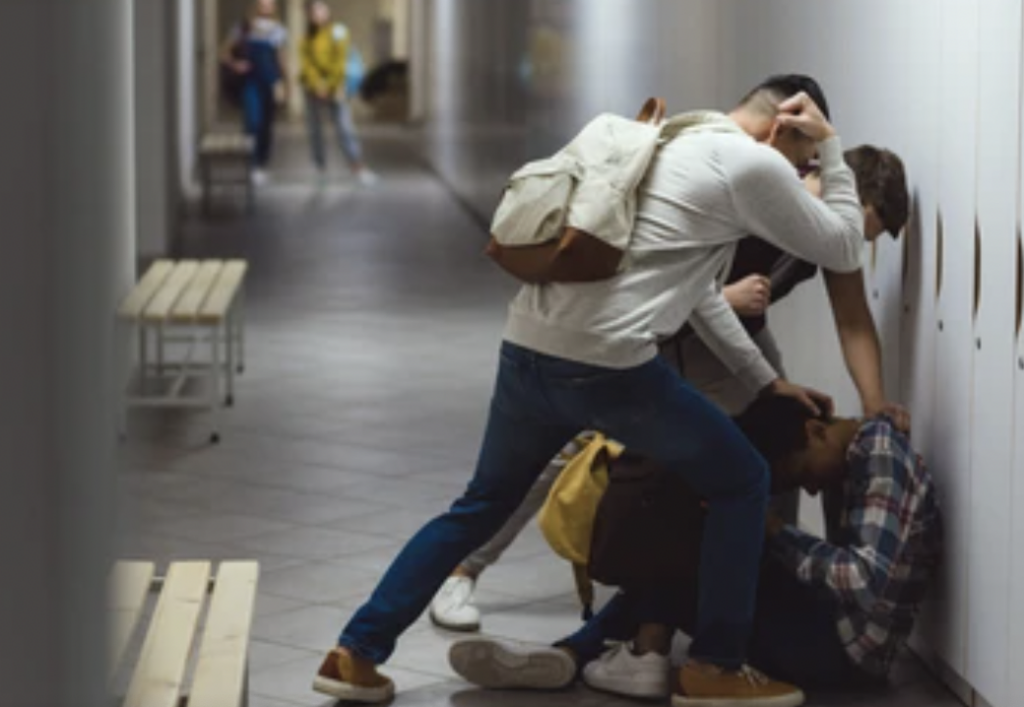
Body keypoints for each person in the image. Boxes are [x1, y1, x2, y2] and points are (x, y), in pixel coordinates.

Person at [313, 74, 865, 707]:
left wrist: (767, 383)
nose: (798, 175)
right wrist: (833, 148)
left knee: (479, 505)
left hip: (528, 347)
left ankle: (355, 652)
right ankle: (715, 665)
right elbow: (844, 243)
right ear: (784, 129)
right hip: (610, 365)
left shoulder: (667, 138)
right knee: (742, 480)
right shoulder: (749, 162)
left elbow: (702, 296)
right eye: (801, 160)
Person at [429, 144, 911, 632]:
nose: (847, 244)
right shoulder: (759, 191)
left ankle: (749, 598)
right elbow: (657, 268)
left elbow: (852, 319)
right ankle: (462, 570)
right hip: (653, 323)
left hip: (732, 338)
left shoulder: (834, 231)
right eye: (854, 227)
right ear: (833, 189)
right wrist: (724, 298)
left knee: (776, 440)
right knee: (569, 446)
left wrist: (875, 409)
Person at [448, 395, 943, 702]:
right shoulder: (854, 455)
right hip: (829, 628)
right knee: (707, 538)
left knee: (708, 544)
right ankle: (599, 654)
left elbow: (864, 580)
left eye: (800, 474)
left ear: (815, 431)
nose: (811, 490)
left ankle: (599, 654)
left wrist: (775, 533)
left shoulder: (876, 450)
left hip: (843, 653)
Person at [300, 1, 378, 186]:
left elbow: (341, 59)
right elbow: (307, 64)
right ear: (309, 15)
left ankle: (357, 166)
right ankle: (319, 166)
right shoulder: (306, 37)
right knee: (314, 129)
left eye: (321, 9)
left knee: (345, 127)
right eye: (314, 11)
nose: (318, 14)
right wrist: (317, 84)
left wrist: (330, 84)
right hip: (313, 89)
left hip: (336, 87)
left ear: (327, 11)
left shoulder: (339, 31)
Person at [221, 0, 289, 185]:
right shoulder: (243, 27)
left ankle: (260, 165)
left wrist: (285, 85)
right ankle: (249, 165)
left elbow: (282, 60)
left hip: (270, 81)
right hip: (251, 82)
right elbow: (225, 52)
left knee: (267, 126)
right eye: (263, 2)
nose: (266, 6)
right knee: (253, 122)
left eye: (270, 3)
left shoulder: (279, 30)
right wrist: (236, 65)